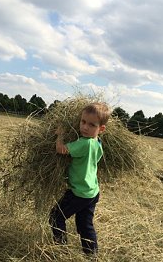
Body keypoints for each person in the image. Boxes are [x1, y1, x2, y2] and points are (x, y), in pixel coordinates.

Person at [49, 102, 111, 256]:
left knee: (56, 216)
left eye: (91, 125)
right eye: (83, 122)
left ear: (101, 129)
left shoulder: (85, 143)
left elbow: (61, 149)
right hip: (92, 192)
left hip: (78, 192)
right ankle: (92, 254)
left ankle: (60, 250)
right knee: (85, 225)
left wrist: (60, 134)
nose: (85, 127)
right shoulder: (98, 143)